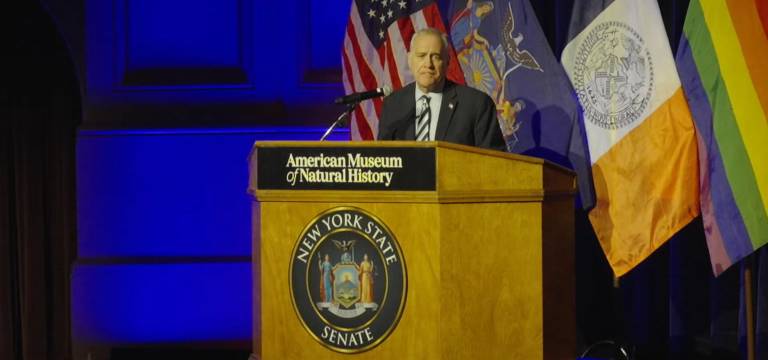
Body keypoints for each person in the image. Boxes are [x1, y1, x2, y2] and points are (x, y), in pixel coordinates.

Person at [377, 28, 505, 151]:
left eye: (436, 57)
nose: (428, 64)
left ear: (447, 61)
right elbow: (382, 160)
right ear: (410, 60)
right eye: (421, 56)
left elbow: (494, 163)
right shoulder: (393, 105)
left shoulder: (477, 104)